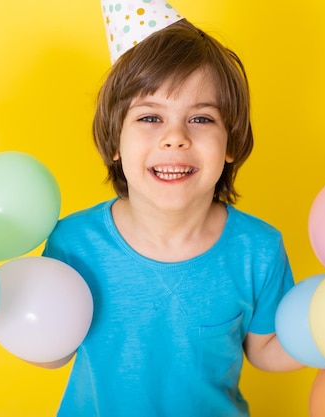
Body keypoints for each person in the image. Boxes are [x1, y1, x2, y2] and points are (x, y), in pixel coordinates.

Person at [37, 3, 303, 416]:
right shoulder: (73, 245)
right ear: (114, 143)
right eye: (149, 118)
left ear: (231, 143)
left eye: (200, 119)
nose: (175, 138)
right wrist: (8, 310)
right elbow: (52, 352)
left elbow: (265, 349)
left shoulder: (259, 250)